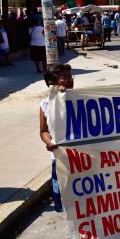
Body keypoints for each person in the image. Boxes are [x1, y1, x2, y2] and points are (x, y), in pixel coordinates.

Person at [39, 63, 74, 213]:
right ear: (52, 83)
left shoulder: (80, 99)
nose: (70, 81)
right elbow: (43, 131)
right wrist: (48, 142)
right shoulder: (45, 105)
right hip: (59, 158)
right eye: (64, 78)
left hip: (81, 156)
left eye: (70, 77)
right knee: (63, 191)